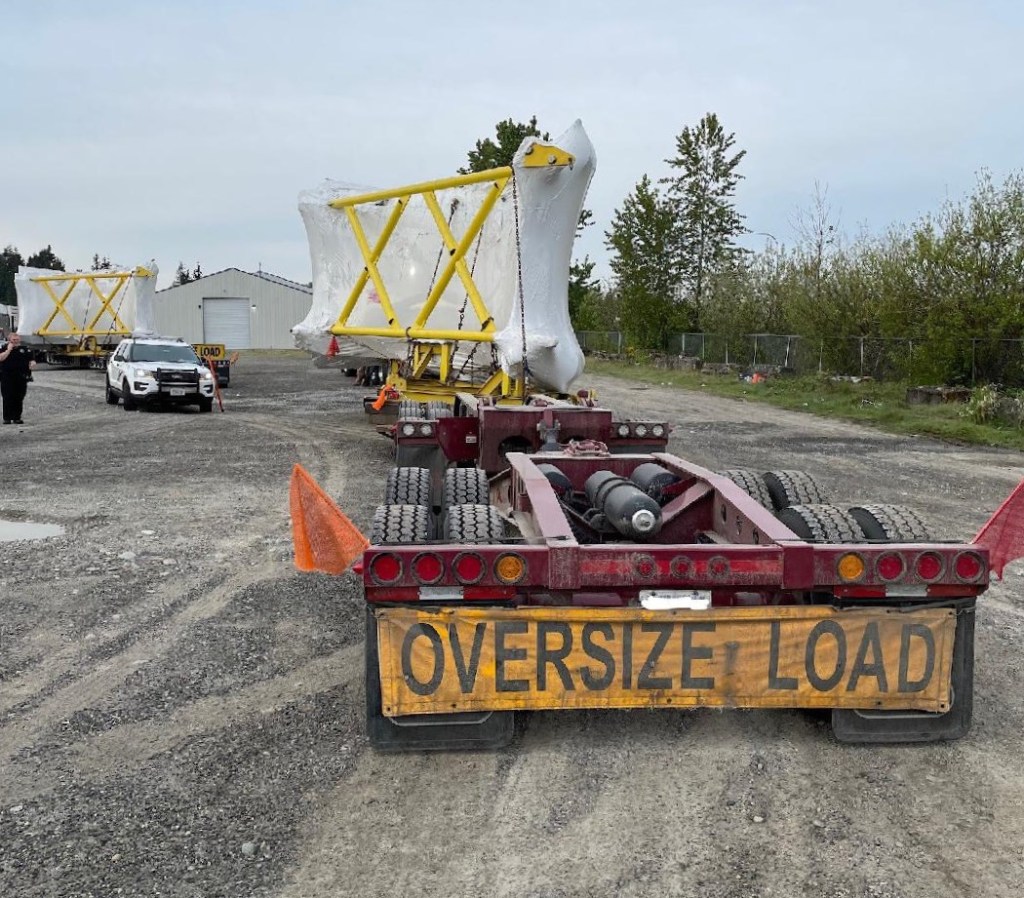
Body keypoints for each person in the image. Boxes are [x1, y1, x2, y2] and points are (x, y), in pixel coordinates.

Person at [0, 333, 36, 425]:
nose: (16, 341)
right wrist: (8, 350)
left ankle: (17, 417)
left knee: (19, 397)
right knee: (7, 397)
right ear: (9, 340)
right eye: (14, 340)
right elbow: (1, 358)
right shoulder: (4, 348)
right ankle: (7, 418)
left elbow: (31, 359)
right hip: (7, 377)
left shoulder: (25, 349)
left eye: (17, 339)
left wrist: (32, 363)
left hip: (21, 377)